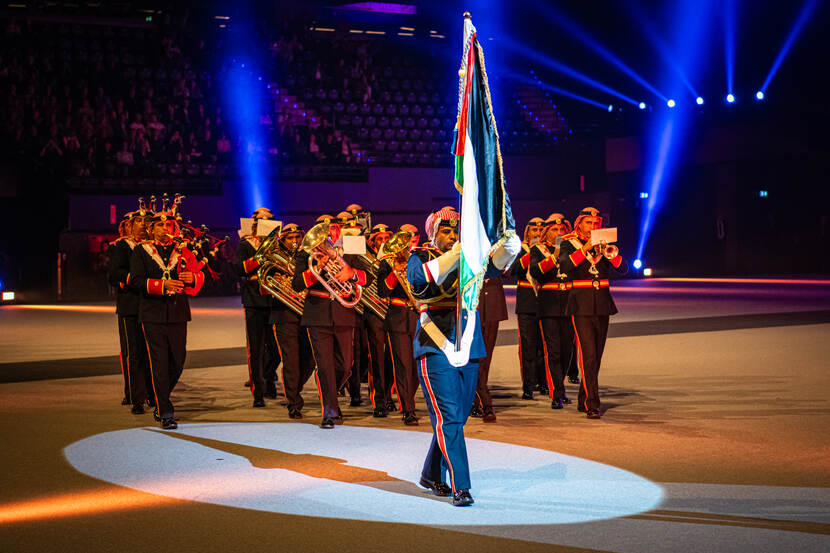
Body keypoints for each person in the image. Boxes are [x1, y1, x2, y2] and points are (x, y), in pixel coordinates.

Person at [407, 207, 520, 506]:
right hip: (435, 344)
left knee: (458, 416)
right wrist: (459, 253)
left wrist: (510, 244)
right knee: (449, 418)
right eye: (446, 230)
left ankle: (431, 474)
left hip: (469, 342)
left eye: (457, 230)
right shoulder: (419, 256)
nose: (453, 235)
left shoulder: (470, 256)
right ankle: (461, 486)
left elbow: (498, 264)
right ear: (432, 232)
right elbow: (422, 280)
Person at [292, 215, 372, 429]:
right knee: (325, 366)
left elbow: (370, 277)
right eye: (323, 229)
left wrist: (351, 273)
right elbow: (297, 284)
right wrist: (315, 269)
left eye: (333, 228)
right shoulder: (306, 251)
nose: (328, 233)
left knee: (346, 365)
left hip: (343, 311)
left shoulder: (350, 247)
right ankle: (330, 412)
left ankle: (331, 399)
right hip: (317, 313)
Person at [129, 202, 205, 429]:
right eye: (160, 225)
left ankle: (158, 395)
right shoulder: (141, 251)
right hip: (152, 312)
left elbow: (198, 274)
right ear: (151, 229)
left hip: (178, 312)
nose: (165, 228)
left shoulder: (183, 249)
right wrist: (161, 285)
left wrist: (194, 278)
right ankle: (165, 411)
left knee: (178, 361)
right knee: (159, 363)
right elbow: (136, 281)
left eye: (168, 224)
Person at [557, 207, 628, 418]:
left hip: (602, 304)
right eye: (589, 223)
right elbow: (564, 266)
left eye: (596, 224)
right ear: (579, 224)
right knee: (587, 354)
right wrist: (587, 246)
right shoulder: (568, 242)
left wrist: (610, 253)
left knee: (596, 356)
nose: (593, 227)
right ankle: (592, 404)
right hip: (580, 305)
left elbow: (623, 268)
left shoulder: (604, 242)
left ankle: (583, 398)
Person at [234, 207, 281, 408]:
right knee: (256, 348)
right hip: (254, 300)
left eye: (269, 220)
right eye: (262, 220)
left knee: (277, 350)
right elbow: (239, 269)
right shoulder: (245, 244)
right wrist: (261, 256)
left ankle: (268, 378)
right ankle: (259, 392)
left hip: (275, 300)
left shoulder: (279, 245)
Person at [270, 223, 316, 419]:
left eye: (297, 237)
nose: (295, 241)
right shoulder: (272, 257)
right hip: (284, 314)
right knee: (291, 360)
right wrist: (283, 285)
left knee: (310, 359)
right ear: (283, 240)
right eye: (290, 238)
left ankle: (294, 389)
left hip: (306, 312)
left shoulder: (307, 255)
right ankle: (294, 402)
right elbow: (265, 285)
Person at [529, 213, 573, 410]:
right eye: (555, 229)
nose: (559, 233)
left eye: (562, 229)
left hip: (570, 303)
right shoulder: (538, 249)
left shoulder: (570, 248)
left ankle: (561, 387)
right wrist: (554, 254)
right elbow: (536, 272)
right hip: (549, 305)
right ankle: (557, 392)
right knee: (553, 351)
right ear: (546, 232)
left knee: (567, 351)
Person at [376, 230, 420, 426]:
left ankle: (408, 398)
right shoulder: (386, 264)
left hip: (418, 316)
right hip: (398, 316)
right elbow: (382, 291)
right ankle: (408, 409)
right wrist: (395, 272)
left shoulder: (417, 259)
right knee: (402, 366)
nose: (402, 249)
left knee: (418, 365)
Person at [510, 217, 544, 400]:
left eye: (540, 231)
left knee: (544, 346)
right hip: (526, 302)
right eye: (534, 231)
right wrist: (530, 253)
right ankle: (528, 385)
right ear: (527, 232)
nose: (537, 234)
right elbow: (513, 270)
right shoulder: (519, 248)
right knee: (528, 345)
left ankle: (544, 383)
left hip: (545, 301)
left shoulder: (546, 249)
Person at [471, 275, 507, 422]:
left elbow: (506, 268)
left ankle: (476, 400)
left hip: (492, 299)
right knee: (474, 357)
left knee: (486, 357)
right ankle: (483, 401)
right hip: (472, 299)